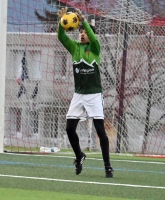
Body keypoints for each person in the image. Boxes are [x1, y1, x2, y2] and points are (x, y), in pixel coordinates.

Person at [57, 8, 114, 178]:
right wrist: (61, 23)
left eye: (84, 32)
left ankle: (108, 166)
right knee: (69, 129)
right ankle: (79, 155)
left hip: (94, 95)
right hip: (79, 95)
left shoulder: (95, 48)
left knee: (100, 131)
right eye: (79, 32)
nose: (81, 34)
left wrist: (84, 22)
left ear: (90, 35)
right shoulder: (74, 48)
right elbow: (61, 37)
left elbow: (94, 38)